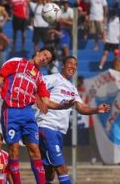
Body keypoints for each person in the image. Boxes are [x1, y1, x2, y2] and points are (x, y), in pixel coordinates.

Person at [0, 47, 74, 184]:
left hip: (28, 113)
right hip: (11, 110)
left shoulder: (40, 78)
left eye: (47, 59)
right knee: (14, 149)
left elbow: (46, 101)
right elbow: (0, 77)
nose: (44, 58)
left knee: (35, 149)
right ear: (37, 52)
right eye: (44, 55)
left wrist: (62, 105)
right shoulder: (16, 61)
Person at [35, 56, 110, 184]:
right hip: (48, 127)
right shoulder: (52, 79)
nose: (73, 66)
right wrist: (39, 102)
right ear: (62, 65)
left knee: (50, 172)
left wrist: (96, 110)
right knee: (62, 168)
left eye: (75, 64)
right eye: (70, 63)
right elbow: (33, 86)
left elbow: (80, 108)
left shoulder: (72, 88)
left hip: (59, 132)